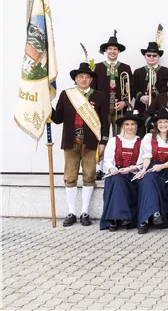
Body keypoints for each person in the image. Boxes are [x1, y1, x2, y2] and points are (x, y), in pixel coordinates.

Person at [51, 61, 109, 227]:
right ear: (75, 79)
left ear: (91, 80)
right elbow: (58, 119)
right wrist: (46, 105)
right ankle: (71, 212)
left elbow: (105, 122)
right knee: (70, 177)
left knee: (89, 176)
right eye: (80, 76)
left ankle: (85, 212)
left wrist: (103, 141)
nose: (83, 79)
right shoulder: (66, 95)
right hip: (71, 142)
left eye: (87, 77)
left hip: (91, 143)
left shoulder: (100, 97)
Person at [135, 108, 168, 234]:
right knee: (147, 180)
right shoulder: (149, 137)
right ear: (156, 124)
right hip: (153, 167)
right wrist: (144, 169)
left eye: (165, 122)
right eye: (160, 122)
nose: (163, 125)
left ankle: (149, 216)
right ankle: (149, 217)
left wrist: (161, 167)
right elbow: (146, 157)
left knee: (155, 180)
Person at [99, 111, 143, 231]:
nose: (130, 127)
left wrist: (130, 168)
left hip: (132, 176)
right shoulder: (114, 140)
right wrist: (112, 168)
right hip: (115, 173)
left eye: (132, 124)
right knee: (117, 180)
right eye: (127, 124)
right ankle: (120, 217)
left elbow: (142, 163)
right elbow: (107, 160)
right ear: (123, 126)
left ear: (136, 126)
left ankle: (114, 219)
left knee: (119, 181)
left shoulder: (141, 142)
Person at [93, 31, 133, 139]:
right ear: (105, 50)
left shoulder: (126, 68)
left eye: (115, 49)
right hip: (102, 108)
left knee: (120, 137)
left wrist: (124, 103)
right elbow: (93, 89)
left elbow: (131, 89)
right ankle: (102, 156)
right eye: (110, 49)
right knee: (101, 136)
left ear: (119, 51)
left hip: (119, 108)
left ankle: (118, 156)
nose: (112, 51)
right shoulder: (97, 67)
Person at [132, 40, 168, 120]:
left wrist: (154, 97)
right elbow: (133, 88)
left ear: (159, 57)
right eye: (148, 55)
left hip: (160, 106)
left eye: (154, 55)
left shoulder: (166, 71)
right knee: (141, 129)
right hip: (141, 106)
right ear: (144, 56)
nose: (151, 57)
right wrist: (141, 97)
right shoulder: (138, 71)